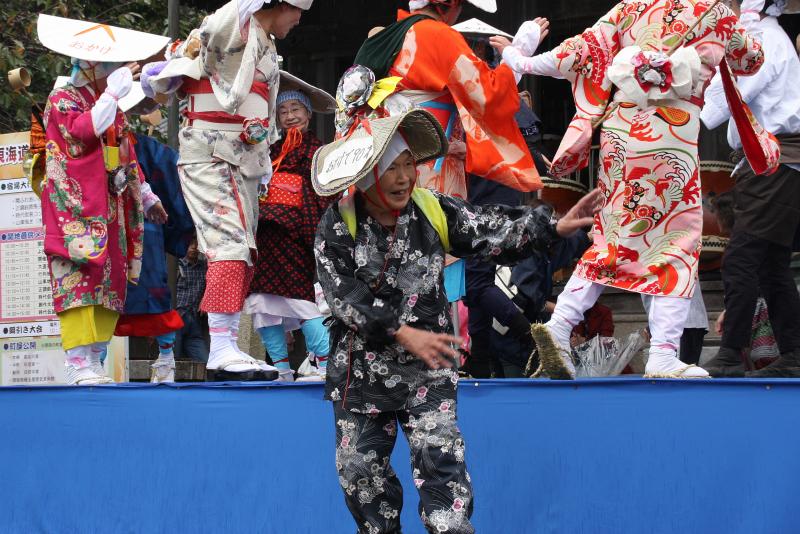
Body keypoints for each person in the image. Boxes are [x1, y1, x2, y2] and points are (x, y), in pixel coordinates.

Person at [311, 109, 601, 534]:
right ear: (368, 173)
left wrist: (552, 228)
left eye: (409, 164)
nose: (404, 177)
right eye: (392, 168)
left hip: (429, 373)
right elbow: (345, 298)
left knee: (444, 476)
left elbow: (491, 227)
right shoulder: (338, 225)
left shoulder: (432, 210)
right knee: (362, 484)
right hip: (361, 377)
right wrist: (402, 333)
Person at [491, 0, 765, 379]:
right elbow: (751, 60)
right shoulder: (713, 11)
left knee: (612, 235)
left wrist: (519, 59)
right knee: (676, 240)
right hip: (671, 131)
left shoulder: (628, 8)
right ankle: (664, 353)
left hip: (621, 135)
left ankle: (560, 324)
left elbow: (576, 52)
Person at [142, 0, 313, 380]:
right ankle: (219, 346)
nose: (301, 18)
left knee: (244, 251)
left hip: (246, 159)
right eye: (298, 9)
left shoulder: (266, 43)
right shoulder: (234, 24)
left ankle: (227, 343)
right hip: (210, 154)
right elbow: (228, 17)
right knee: (230, 245)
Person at [37, 16, 170, 385]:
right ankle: (77, 360)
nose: (115, 71)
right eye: (110, 65)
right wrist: (111, 95)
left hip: (110, 205)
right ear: (91, 65)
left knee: (110, 279)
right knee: (79, 279)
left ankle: (94, 357)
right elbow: (81, 133)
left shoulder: (107, 106)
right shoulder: (62, 98)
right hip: (76, 210)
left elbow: (127, 153)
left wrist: (145, 195)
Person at [700, 0, 800, 378]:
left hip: (774, 159)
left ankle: (730, 352)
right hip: (772, 161)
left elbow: (726, 100)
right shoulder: (761, 39)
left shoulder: (762, 40)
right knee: (773, 265)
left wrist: (687, 100)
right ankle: (793, 352)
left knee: (742, 258)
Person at [244, 72, 337, 382]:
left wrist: (312, 232)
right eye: (283, 111)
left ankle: (324, 365)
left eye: (296, 109)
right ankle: (281, 370)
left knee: (302, 299)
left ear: (308, 114)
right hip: (267, 237)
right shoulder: (270, 151)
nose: (290, 116)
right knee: (263, 303)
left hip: (297, 234)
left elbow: (323, 193)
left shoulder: (319, 150)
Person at [111, 134, 197, 383]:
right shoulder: (87, 140)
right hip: (102, 227)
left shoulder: (140, 145)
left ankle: (166, 357)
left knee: (153, 295)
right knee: (100, 300)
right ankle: (92, 361)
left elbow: (170, 172)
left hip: (141, 229)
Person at [175, 238, 210, 363]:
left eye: (197, 244)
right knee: (173, 360)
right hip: (177, 317)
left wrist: (206, 299)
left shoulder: (204, 267)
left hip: (194, 320)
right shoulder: (177, 265)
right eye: (190, 244)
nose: (194, 247)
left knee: (205, 362)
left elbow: (213, 284)